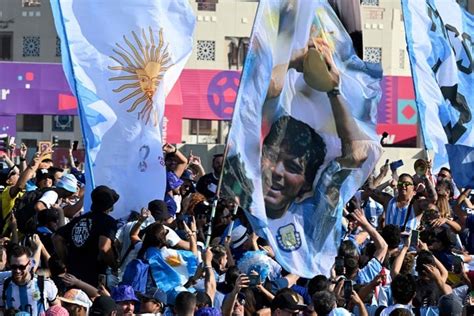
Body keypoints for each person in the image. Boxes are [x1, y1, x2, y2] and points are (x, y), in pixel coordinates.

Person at [53, 185, 119, 287]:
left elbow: (57, 238)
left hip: (72, 277)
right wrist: (114, 265)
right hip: (93, 278)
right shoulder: (108, 221)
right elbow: (104, 248)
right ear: (110, 206)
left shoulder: (78, 219)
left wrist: (66, 260)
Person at [1, 245, 59, 315]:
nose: (17, 271)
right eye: (14, 267)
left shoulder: (44, 284)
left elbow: (57, 308)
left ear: (29, 264)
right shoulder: (4, 287)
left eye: (21, 267)